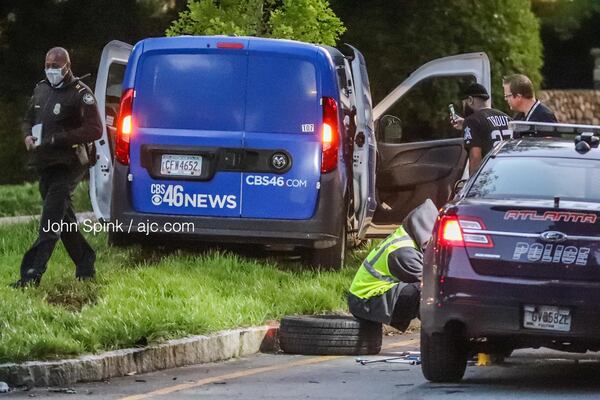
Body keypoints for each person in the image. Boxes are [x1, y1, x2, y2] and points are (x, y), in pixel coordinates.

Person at [12, 47, 102, 288]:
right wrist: (27, 136)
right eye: (48, 64)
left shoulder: (80, 94)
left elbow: (95, 129)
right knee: (63, 220)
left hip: (69, 164)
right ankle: (85, 262)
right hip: (45, 163)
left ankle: (31, 275)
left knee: (50, 220)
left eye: (56, 65)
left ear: (67, 66)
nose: (51, 69)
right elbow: (28, 119)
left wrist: (61, 137)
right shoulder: (41, 89)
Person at [348, 199, 438, 332]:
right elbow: (431, 281)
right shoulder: (403, 252)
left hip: (371, 297)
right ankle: (436, 336)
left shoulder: (407, 238)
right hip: (365, 301)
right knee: (428, 292)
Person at [451, 83, 512, 176]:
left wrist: (473, 186)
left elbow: (475, 159)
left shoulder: (472, 120)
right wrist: (465, 125)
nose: (464, 108)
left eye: (464, 103)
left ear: (470, 100)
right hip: (509, 173)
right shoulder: (507, 118)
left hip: (491, 176)